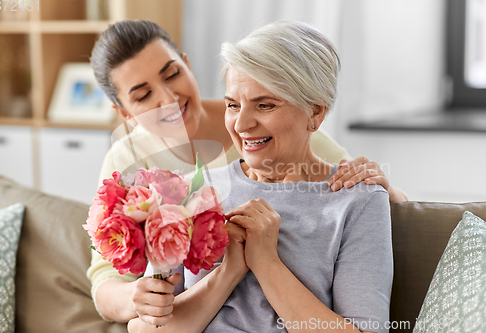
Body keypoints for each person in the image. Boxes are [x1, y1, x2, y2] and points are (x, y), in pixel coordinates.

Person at [87, 19, 402, 325]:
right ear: (124, 113)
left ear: (315, 113)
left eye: (265, 105)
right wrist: (148, 298)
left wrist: (266, 262)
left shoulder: (348, 192)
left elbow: (354, 189)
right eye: (232, 105)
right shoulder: (174, 187)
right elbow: (130, 305)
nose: (241, 124)